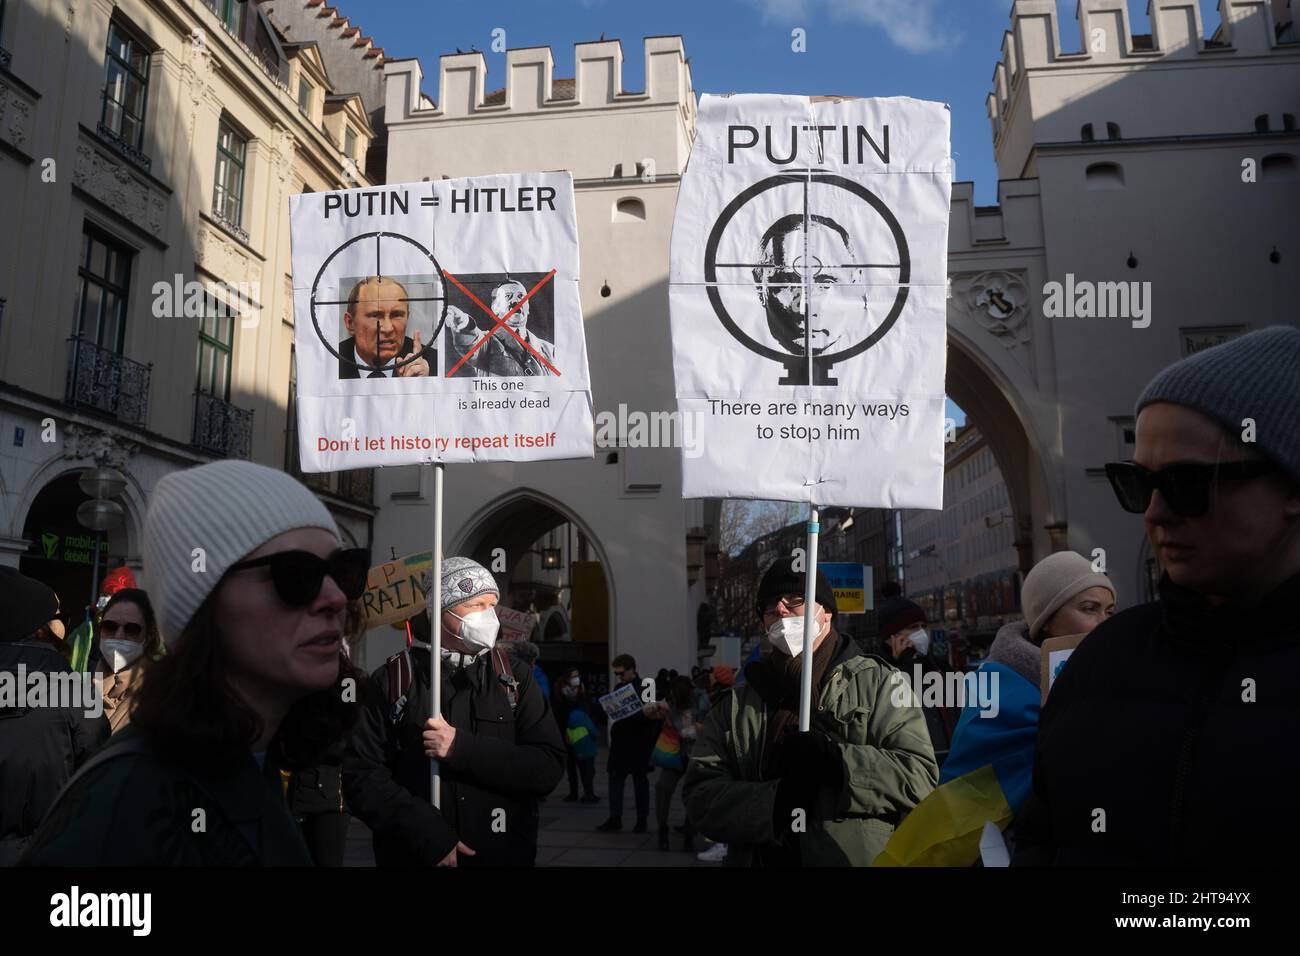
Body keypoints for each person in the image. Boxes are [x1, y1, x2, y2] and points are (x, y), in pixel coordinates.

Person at [1014, 327, 1300, 865]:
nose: (1154, 513)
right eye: (1137, 483)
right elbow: (1044, 839)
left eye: (1189, 483)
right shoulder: (1100, 663)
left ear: (1291, 487)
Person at [20, 460, 366, 865]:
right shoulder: (128, 800)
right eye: (297, 575)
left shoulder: (252, 760)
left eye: (343, 572)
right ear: (204, 605)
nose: (336, 597)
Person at [683, 556, 938, 866]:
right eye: (769, 605)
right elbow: (700, 796)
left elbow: (920, 776)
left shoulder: (881, 684)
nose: (780, 609)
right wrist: (773, 805)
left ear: (826, 612)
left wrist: (839, 763)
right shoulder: (738, 702)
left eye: (795, 600)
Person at [874, 552, 1114, 867]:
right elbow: (963, 801)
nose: (1105, 622)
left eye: (1110, 611)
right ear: (1047, 618)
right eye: (1088, 608)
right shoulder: (997, 692)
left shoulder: (1117, 683)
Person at [344, 557, 565, 866]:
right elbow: (362, 775)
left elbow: (547, 767)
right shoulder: (393, 679)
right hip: (416, 855)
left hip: (502, 854)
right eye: (476, 605)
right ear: (441, 611)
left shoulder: (514, 677)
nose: (488, 615)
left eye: (492, 604)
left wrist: (462, 747)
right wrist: (425, 832)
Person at [0, 570, 109, 864]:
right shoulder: (77, 700)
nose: (64, 622)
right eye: (58, 614)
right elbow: (100, 799)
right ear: (38, 626)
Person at [878, 597, 955, 767]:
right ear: (892, 637)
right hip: (913, 768)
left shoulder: (937, 666)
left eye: (922, 627)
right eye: (913, 628)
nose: (921, 633)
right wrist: (906, 663)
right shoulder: (881, 672)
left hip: (949, 763)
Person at [596, 653, 658, 834]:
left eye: (621, 673)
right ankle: (615, 818)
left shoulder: (647, 686)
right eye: (617, 673)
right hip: (621, 741)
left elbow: (652, 716)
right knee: (615, 779)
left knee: (640, 781)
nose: (619, 677)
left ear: (632, 669)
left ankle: (641, 820)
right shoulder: (619, 687)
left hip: (639, 742)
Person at [445, 278, 557, 378]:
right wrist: (465, 323)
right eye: (507, 296)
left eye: (520, 296)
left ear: (528, 308)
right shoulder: (487, 343)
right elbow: (471, 345)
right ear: (495, 309)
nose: (515, 301)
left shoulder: (550, 350)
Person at [94, 587, 164, 734]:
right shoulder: (83, 689)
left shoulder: (159, 698)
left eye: (132, 629)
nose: (119, 636)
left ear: (149, 636)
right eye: (110, 626)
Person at [338, 275, 436, 379]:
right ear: (350, 323)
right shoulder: (329, 361)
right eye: (375, 315)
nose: (388, 328)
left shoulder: (433, 363)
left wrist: (423, 386)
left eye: (397, 315)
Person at [652, 675, 706, 852]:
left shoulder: (700, 700)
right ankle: (662, 829)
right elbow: (672, 727)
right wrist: (659, 715)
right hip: (675, 754)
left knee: (693, 793)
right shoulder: (671, 704)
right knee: (663, 787)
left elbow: (710, 724)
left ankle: (690, 833)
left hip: (696, 754)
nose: (673, 699)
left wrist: (693, 730)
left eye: (675, 696)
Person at [555, 669, 600, 804]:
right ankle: (574, 792)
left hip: (584, 736)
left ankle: (588, 793)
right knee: (572, 766)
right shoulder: (562, 694)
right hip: (569, 735)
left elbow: (591, 711)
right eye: (573, 676)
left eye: (577, 676)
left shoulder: (582, 693)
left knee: (587, 766)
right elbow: (559, 716)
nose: (576, 678)